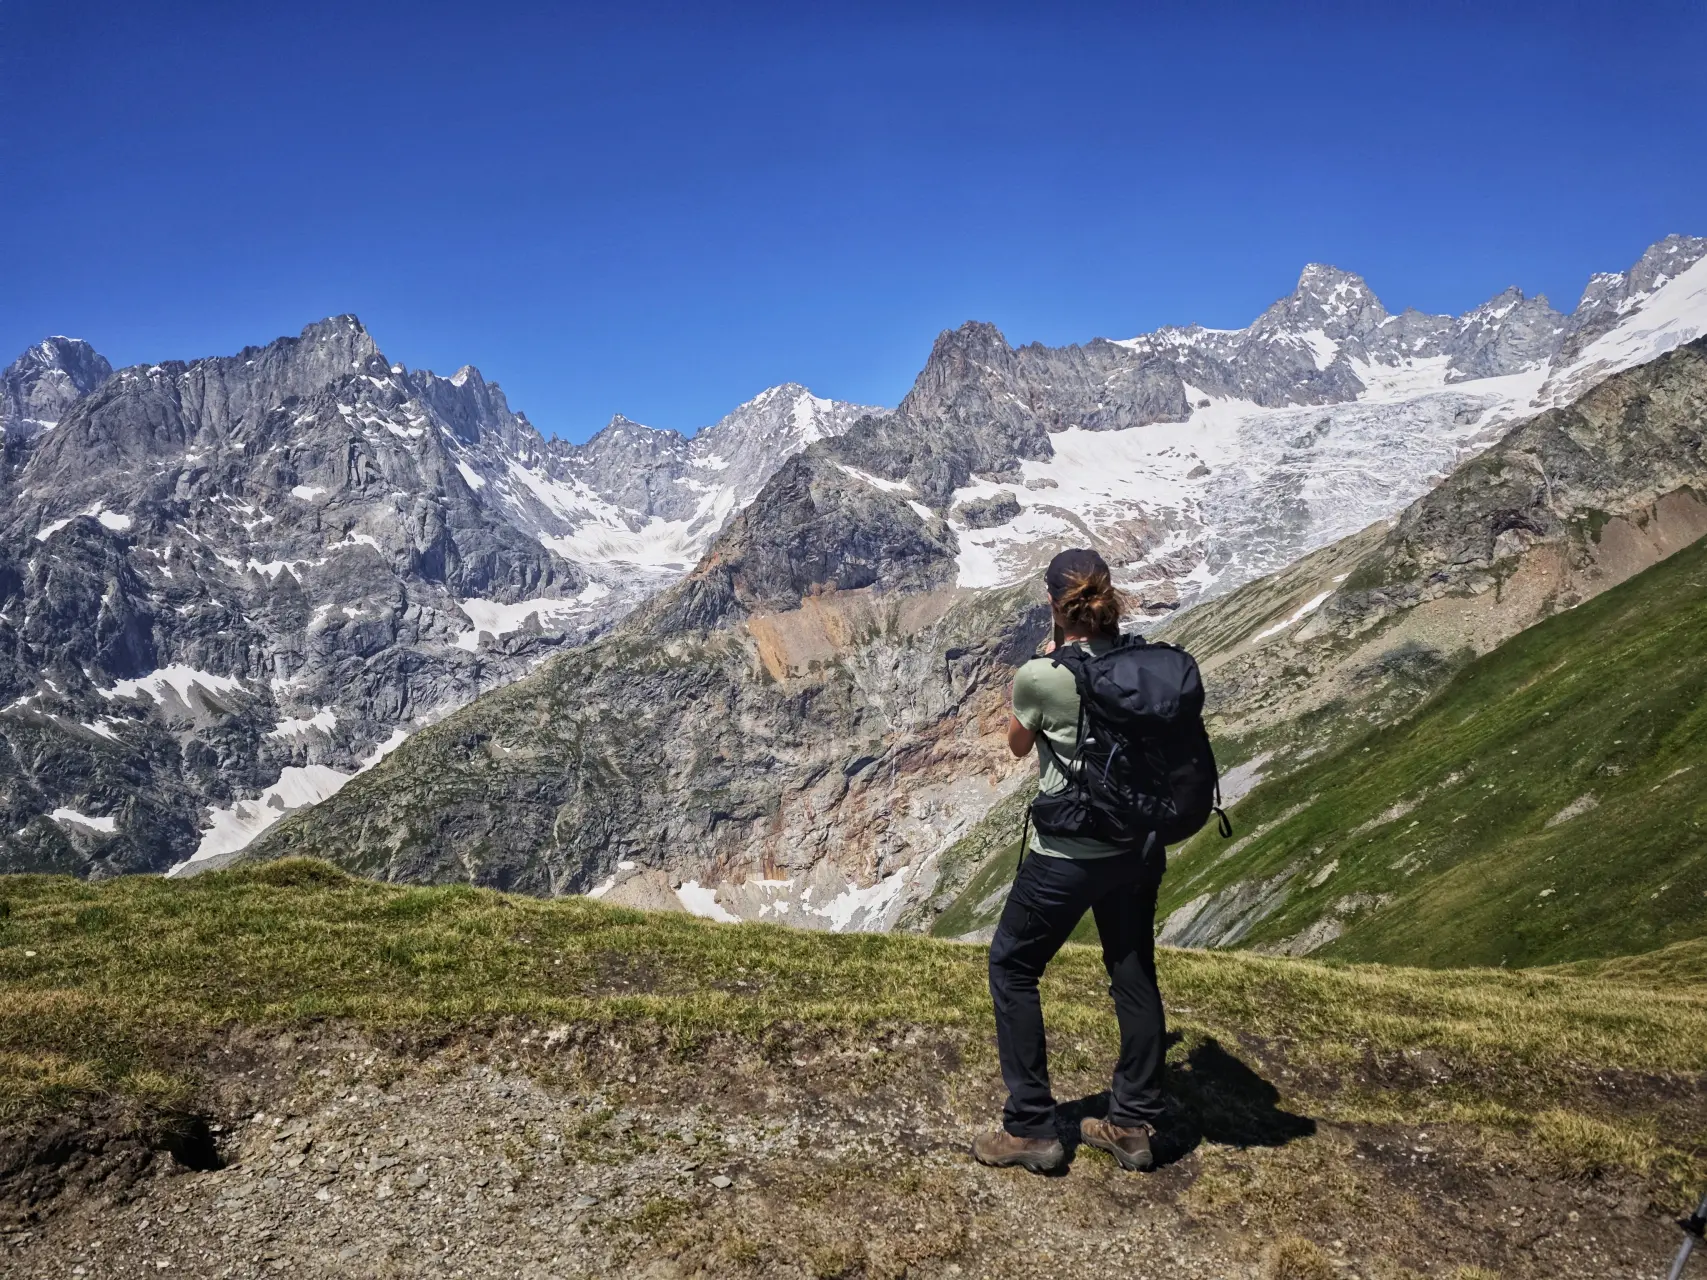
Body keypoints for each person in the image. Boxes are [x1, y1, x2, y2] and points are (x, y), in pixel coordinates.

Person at [971, 547, 1167, 1174]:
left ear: (1055, 606)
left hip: (1066, 855)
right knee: (1132, 972)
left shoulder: (1041, 676)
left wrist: (1048, 662)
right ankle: (1131, 1124)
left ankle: (1031, 1128)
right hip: (1136, 850)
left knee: (1013, 966)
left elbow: (1016, 744)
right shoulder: (1142, 664)